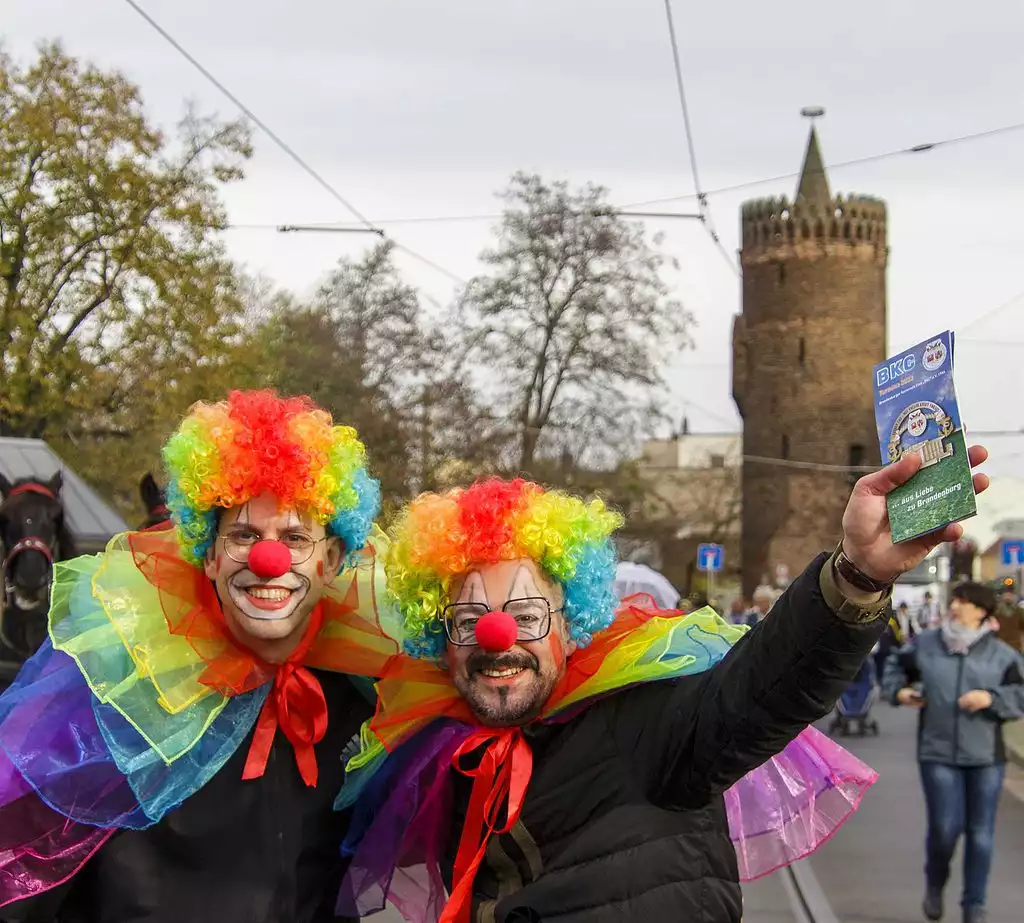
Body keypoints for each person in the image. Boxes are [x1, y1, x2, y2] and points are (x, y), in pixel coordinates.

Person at [338, 446, 989, 923]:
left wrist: (857, 575)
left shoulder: (651, 721)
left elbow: (763, 686)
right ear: (439, 637)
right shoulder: (438, 754)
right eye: (468, 618)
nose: (498, 636)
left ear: (572, 624)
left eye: (527, 615)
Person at [0, 391, 398, 923]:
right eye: (243, 535)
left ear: (329, 560)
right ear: (208, 555)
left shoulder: (363, 696)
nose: (269, 558)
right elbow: (25, 875)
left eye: (295, 537)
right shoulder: (121, 690)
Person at [884, 581, 1024, 923]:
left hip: (986, 758)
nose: (956, 605)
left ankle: (974, 906)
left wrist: (991, 699)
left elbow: (1020, 693)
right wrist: (900, 692)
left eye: (964, 601)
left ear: (982, 611)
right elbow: (894, 667)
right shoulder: (927, 644)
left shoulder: (1003, 655)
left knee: (980, 835)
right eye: (956, 599)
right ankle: (935, 883)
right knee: (945, 828)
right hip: (937, 752)